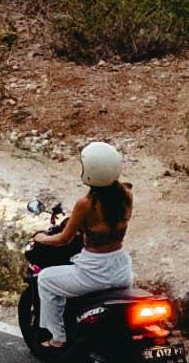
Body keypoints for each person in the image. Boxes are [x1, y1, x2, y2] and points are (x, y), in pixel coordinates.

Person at [37, 140, 134, 348]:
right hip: (121, 269)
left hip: (94, 272)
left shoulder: (86, 204)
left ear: (89, 171)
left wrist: (40, 238)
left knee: (45, 279)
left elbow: (64, 238)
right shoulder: (126, 195)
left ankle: (58, 338)